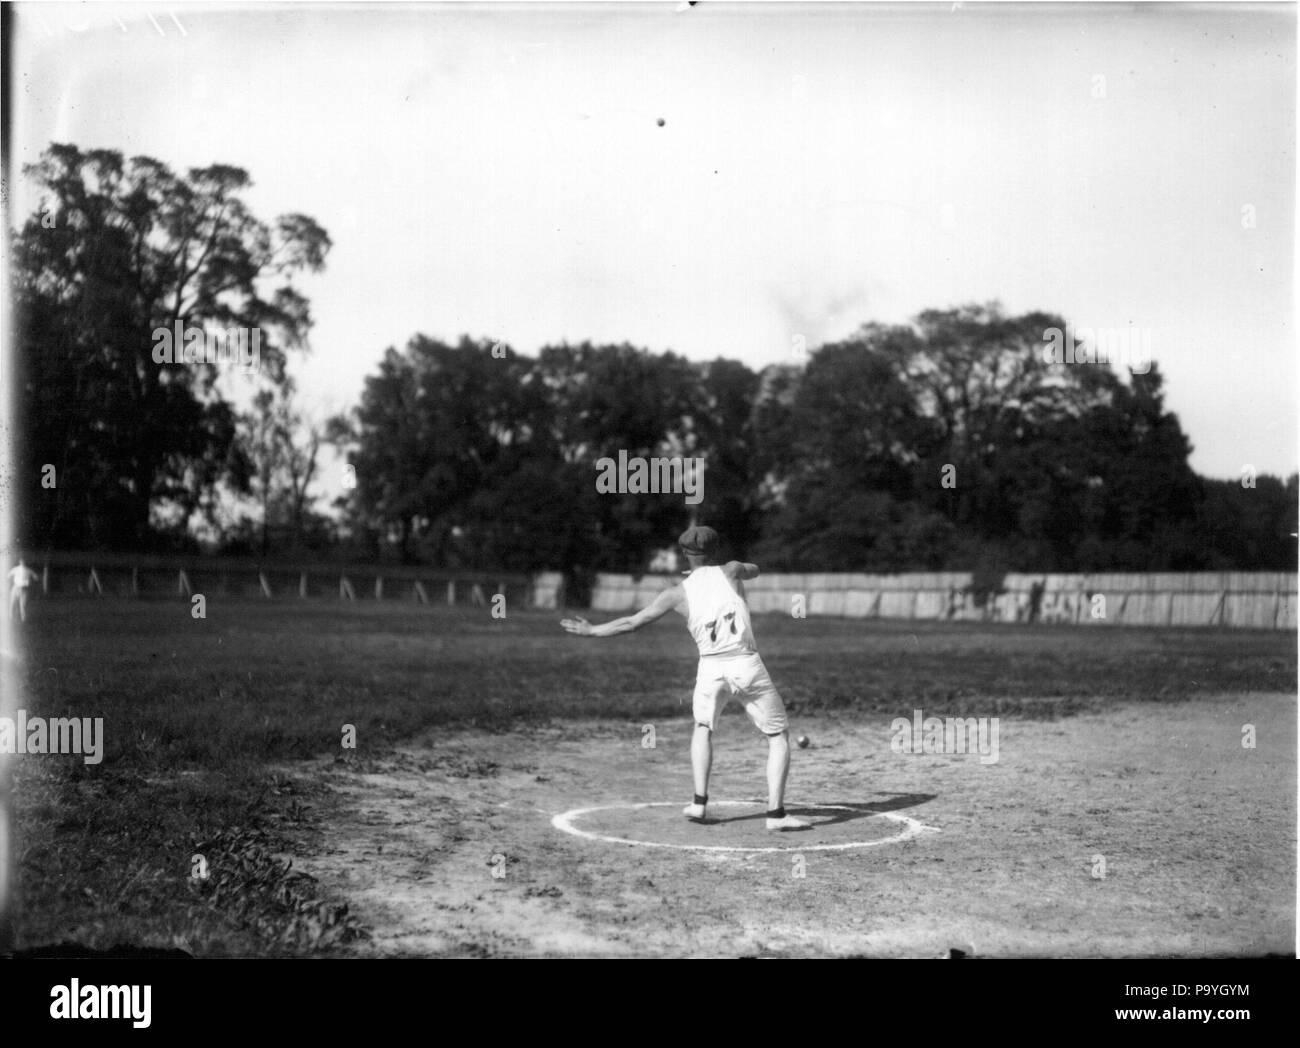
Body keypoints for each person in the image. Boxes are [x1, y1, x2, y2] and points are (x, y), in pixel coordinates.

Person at [561, 525, 809, 831]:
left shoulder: (675, 593)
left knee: (703, 728)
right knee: (777, 736)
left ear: (684, 555)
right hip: (746, 664)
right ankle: (776, 815)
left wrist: (591, 630)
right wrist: (735, 567)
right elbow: (754, 570)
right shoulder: (731, 570)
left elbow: (632, 623)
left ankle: (698, 803)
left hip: (710, 668)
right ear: (715, 551)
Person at [7, 557, 38, 623]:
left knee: (22, 605)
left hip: (23, 589)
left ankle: (23, 619)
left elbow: (35, 577)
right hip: (16, 588)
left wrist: (31, 580)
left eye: (24, 561)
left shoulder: (28, 570)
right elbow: (8, 576)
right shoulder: (16, 569)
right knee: (13, 603)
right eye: (22, 561)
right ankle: (11, 617)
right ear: (20, 562)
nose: (23, 562)